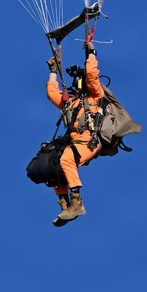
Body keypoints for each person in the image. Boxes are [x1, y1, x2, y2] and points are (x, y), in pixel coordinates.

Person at [46, 37, 104, 227]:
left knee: (66, 159)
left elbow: (92, 76)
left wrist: (91, 54)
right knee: (53, 164)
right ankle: (65, 205)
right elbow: (52, 94)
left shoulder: (94, 96)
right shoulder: (72, 102)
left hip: (88, 142)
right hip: (74, 142)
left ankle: (77, 203)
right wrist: (53, 71)